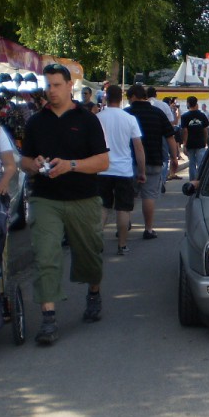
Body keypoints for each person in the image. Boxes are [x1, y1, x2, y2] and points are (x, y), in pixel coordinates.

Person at [20, 62, 110, 344]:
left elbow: (103, 161)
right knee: (46, 255)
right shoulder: (36, 121)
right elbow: (23, 161)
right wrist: (32, 164)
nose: (51, 91)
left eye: (57, 85)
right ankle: (48, 318)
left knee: (90, 255)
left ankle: (93, 291)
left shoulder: (87, 119)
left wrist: (71, 165)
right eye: (47, 85)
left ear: (70, 86)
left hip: (83, 197)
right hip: (46, 198)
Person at [98, 85, 146, 255]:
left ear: (106, 97)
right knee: (123, 209)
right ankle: (122, 244)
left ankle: (97, 243)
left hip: (102, 168)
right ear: (121, 98)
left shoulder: (98, 118)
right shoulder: (129, 119)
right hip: (124, 170)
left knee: (103, 207)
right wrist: (142, 171)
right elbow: (138, 148)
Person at [127, 85, 179, 240]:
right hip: (154, 160)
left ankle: (125, 222)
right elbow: (170, 137)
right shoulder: (157, 113)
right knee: (149, 196)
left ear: (134, 96)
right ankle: (148, 229)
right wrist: (174, 157)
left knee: (129, 194)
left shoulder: (127, 113)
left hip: (129, 162)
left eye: (129, 98)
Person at [181, 96, 209, 181]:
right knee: (200, 163)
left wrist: (184, 144)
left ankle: (192, 181)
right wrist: (205, 140)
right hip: (200, 142)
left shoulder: (184, 116)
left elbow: (185, 131)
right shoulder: (202, 115)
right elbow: (205, 130)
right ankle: (200, 180)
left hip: (190, 143)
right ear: (196, 104)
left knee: (192, 163)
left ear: (188, 104)